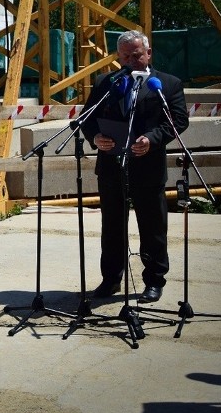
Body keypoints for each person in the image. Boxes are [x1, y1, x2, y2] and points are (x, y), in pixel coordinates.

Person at [80, 30, 188, 304]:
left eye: (136, 54)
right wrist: (95, 138)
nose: (131, 60)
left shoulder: (166, 84)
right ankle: (111, 279)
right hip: (111, 166)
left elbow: (177, 120)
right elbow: (87, 118)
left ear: (148, 53)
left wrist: (151, 139)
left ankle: (154, 281)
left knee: (152, 227)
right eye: (125, 56)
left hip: (147, 166)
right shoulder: (106, 82)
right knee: (112, 226)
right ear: (119, 57)